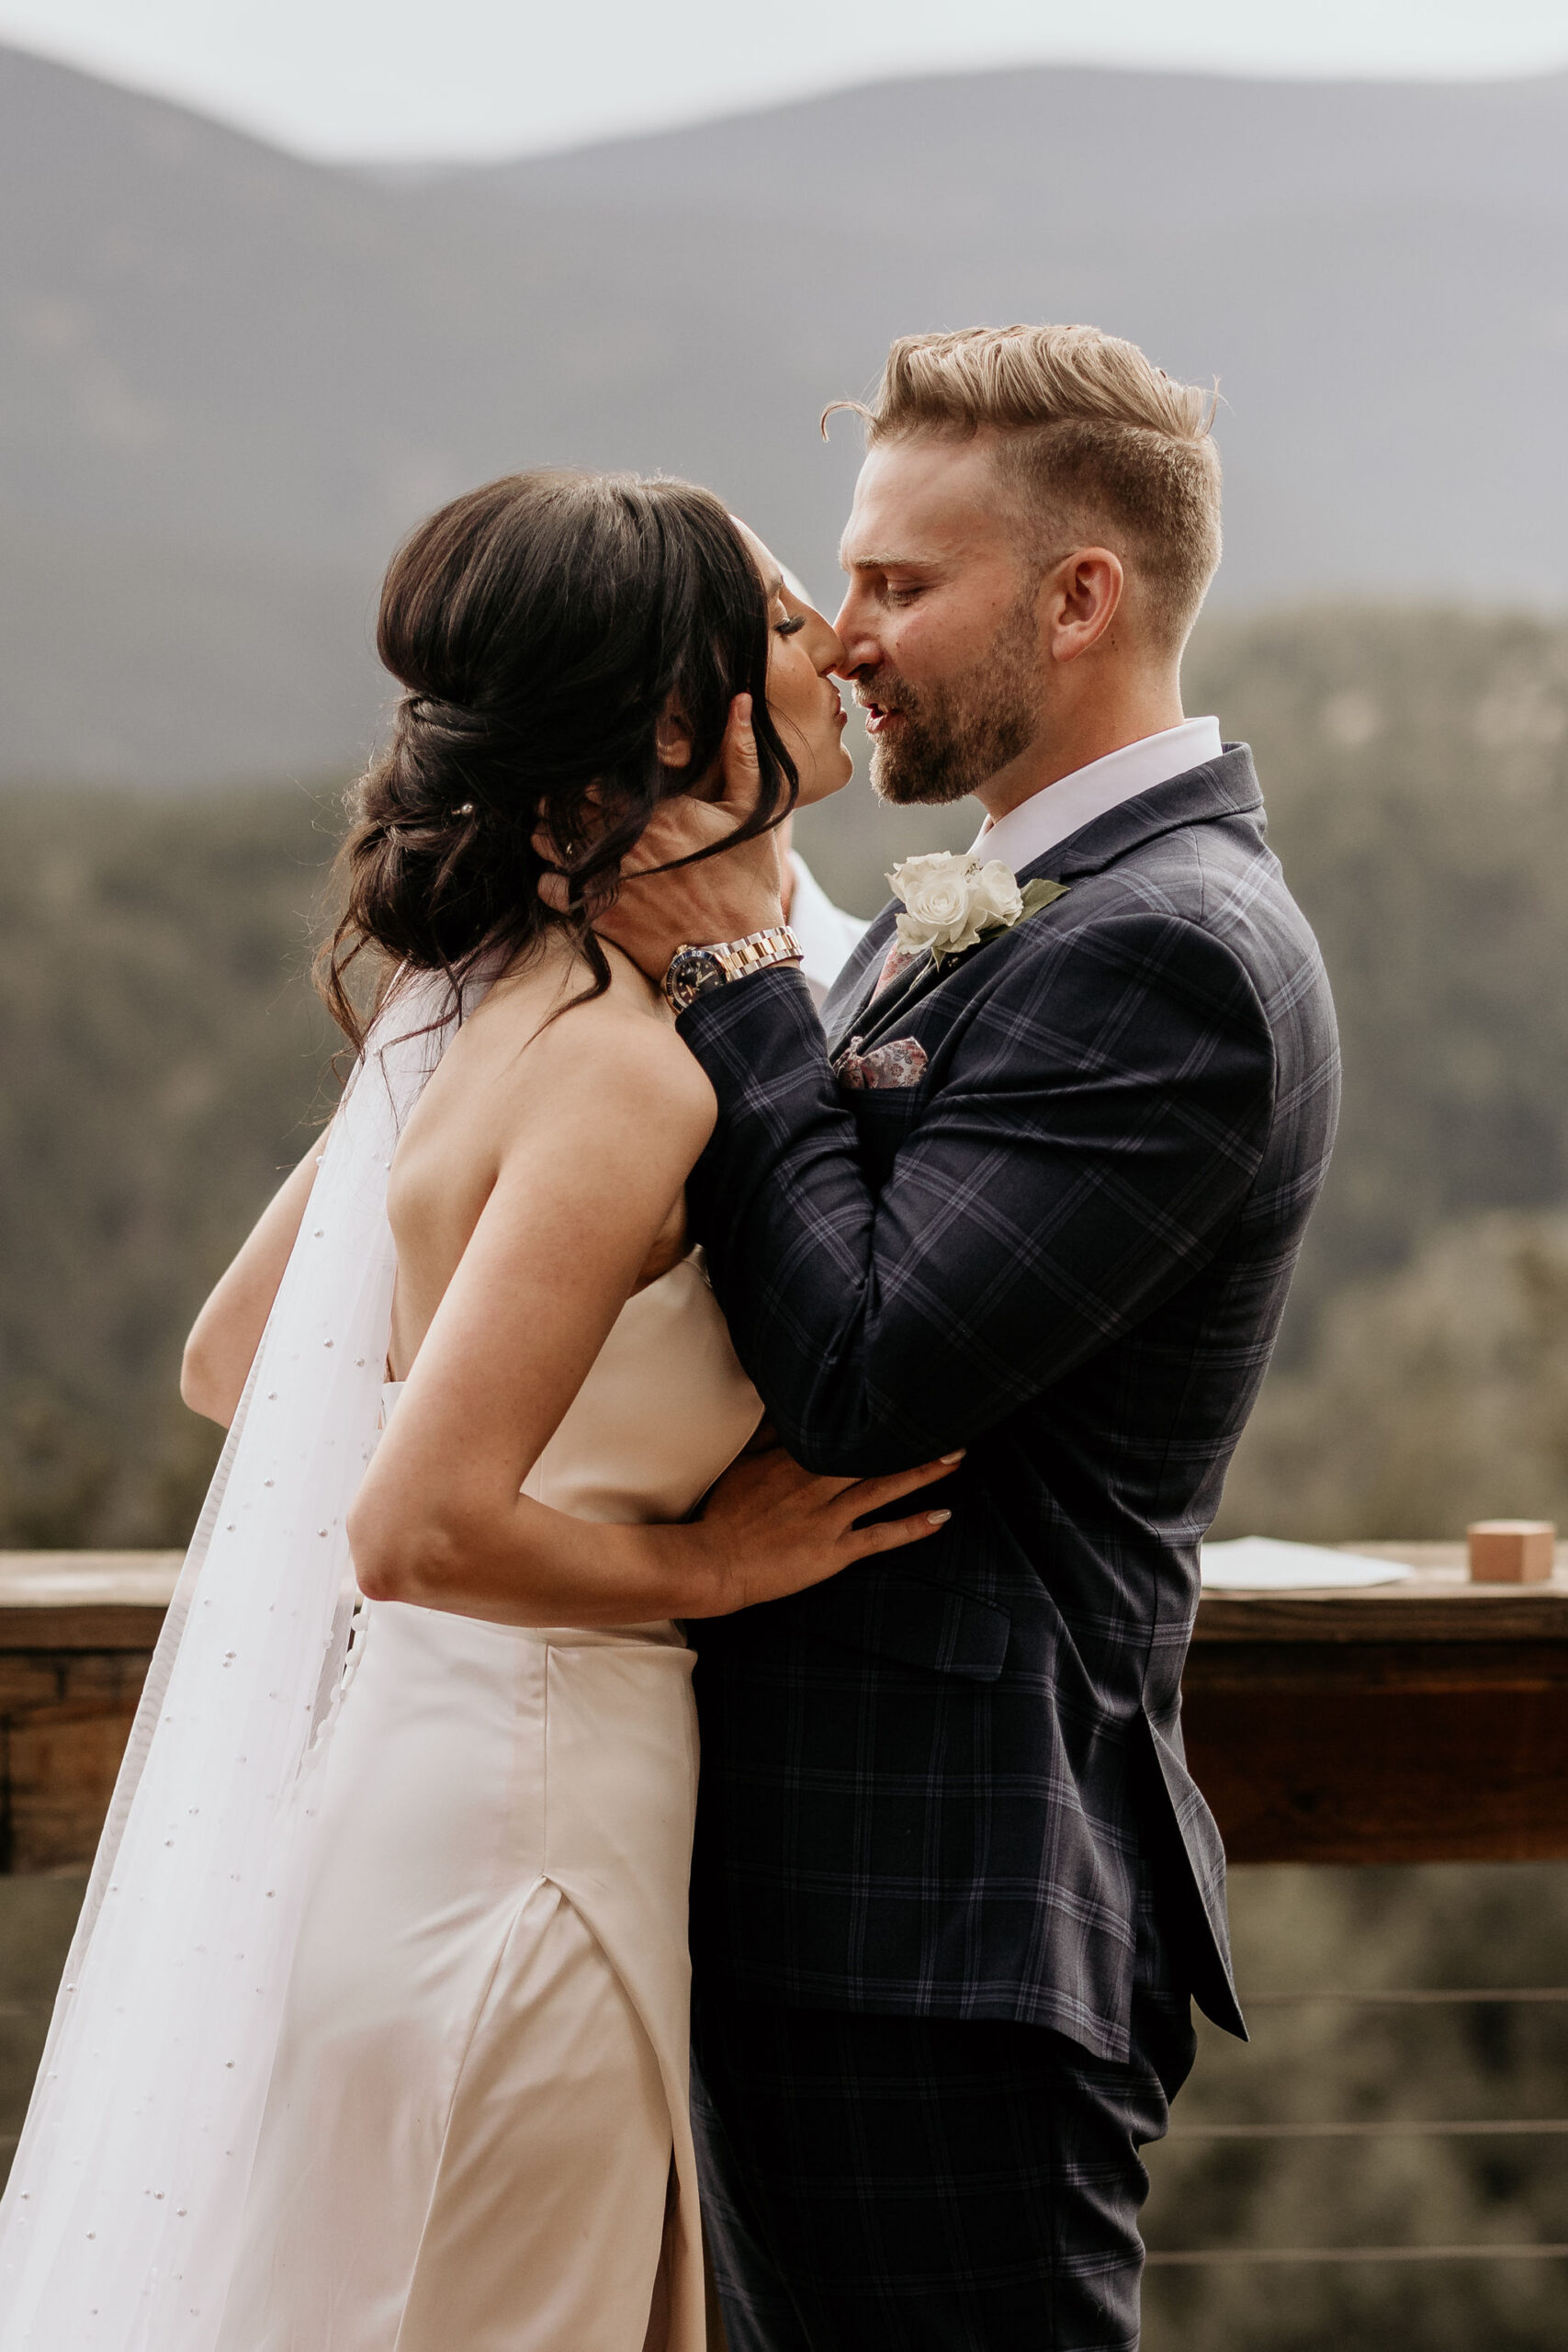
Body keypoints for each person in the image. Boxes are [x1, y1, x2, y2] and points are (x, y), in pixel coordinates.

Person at [0, 472, 959, 2352]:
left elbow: (231, 1360)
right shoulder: (625, 1069)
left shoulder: (477, 991)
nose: (834, 644)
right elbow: (408, 1522)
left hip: (400, 1807)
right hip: (527, 1827)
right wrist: (711, 1554)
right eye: (782, 619)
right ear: (676, 728)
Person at [592, 323, 1342, 2351]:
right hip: (837, 1907)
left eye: (901, 586)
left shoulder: (1169, 949)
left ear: (1077, 593)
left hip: (937, 1913)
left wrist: (741, 967)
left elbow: (862, 1374)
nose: (842, 643)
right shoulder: (1021, 900)